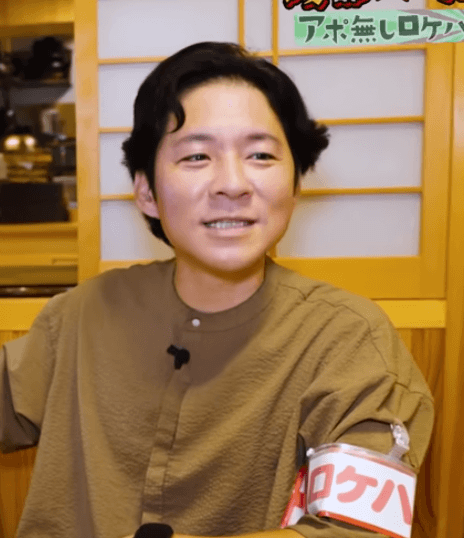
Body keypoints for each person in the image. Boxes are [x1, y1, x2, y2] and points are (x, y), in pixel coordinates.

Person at [0, 42, 433, 538]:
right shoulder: (85, 311)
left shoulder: (349, 340)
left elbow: (355, 531)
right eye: (197, 155)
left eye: (261, 155)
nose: (232, 184)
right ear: (146, 191)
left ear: (296, 184)